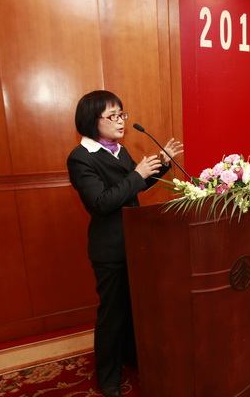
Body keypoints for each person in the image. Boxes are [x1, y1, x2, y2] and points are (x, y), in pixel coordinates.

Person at [67, 90, 182, 397]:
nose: (121, 121)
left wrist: (162, 164)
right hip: (109, 248)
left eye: (122, 114)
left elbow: (135, 186)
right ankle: (108, 378)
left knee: (135, 309)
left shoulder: (119, 151)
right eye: (113, 116)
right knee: (112, 315)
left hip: (134, 242)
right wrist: (136, 174)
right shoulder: (81, 157)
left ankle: (132, 357)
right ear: (92, 120)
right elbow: (101, 202)